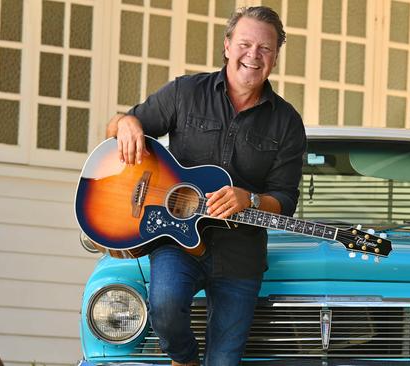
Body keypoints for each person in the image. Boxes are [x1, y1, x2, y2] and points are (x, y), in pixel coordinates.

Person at [105, 6, 306, 366]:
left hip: (240, 255)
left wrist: (252, 199)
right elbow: (119, 127)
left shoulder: (288, 123)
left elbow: (285, 198)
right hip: (175, 239)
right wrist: (125, 124)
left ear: (275, 56)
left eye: (265, 48)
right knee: (163, 307)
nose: (253, 55)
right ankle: (184, 360)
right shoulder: (185, 92)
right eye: (245, 44)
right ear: (228, 45)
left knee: (225, 361)